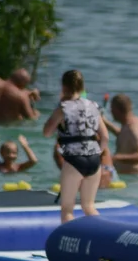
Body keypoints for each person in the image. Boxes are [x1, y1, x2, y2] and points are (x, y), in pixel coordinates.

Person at [43, 69, 108, 224]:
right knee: (89, 206)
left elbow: (47, 132)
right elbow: (105, 137)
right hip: (94, 159)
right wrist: (98, 154)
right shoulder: (93, 106)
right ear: (82, 86)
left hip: (74, 160)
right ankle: (101, 235)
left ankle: (68, 244)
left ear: (63, 87)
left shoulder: (63, 108)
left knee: (67, 209)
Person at [102, 94, 138, 175]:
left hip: (136, 178)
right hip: (130, 178)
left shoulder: (134, 128)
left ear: (117, 110)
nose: (111, 112)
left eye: (112, 109)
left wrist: (115, 158)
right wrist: (104, 122)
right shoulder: (127, 125)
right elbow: (124, 136)